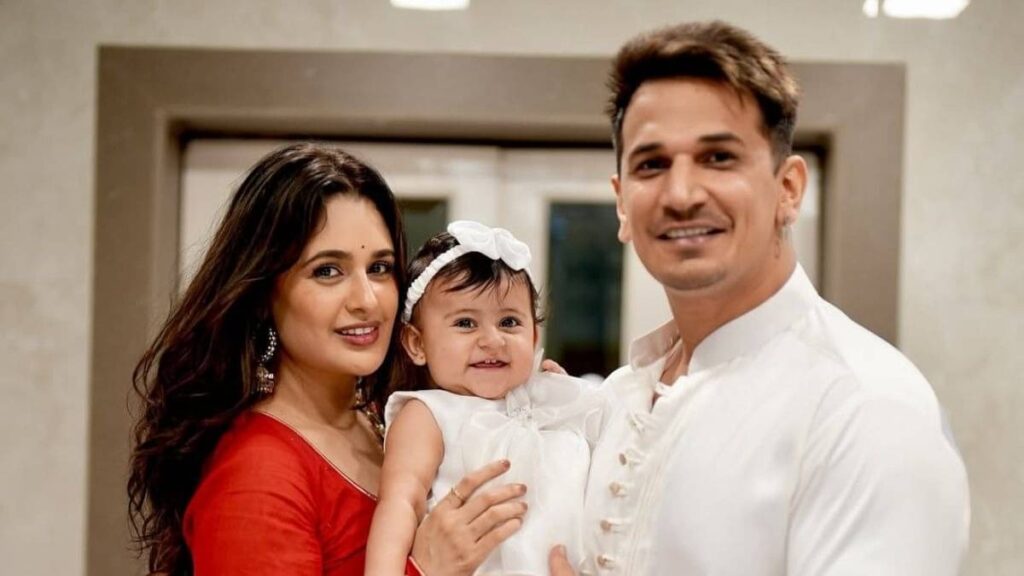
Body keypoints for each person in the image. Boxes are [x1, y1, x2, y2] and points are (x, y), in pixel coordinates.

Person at [549, 21, 970, 576]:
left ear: (787, 189)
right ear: (622, 203)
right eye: (652, 164)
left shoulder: (866, 405)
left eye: (718, 158)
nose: (681, 194)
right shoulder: (621, 397)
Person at [127, 143, 525, 576]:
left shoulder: (387, 417)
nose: (367, 300)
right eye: (327, 271)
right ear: (262, 295)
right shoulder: (257, 476)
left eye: (379, 268)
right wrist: (426, 569)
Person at [366, 221, 605, 575]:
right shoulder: (428, 415)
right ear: (417, 343)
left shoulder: (550, 398)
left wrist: (561, 400)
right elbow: (401, 503)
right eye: (465, 323)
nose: (493, 340)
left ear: (534, 336)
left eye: (509, 322)